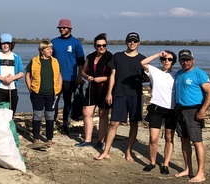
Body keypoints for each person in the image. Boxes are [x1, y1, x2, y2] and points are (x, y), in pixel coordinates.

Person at [94, 32, 146, 162]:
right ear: (126, 42)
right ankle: (106, 151)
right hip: (119, 94)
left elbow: (149, 75)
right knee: (113, 123)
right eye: (130, 41)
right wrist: (109, 92)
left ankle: (129, 151)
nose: (132, 43)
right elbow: (112, 76)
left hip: (135, 95)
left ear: (139, 43)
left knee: (134, 123)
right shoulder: (117, 57)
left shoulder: (143, 59)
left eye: (135, 41)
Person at [173, 49, 210, 183]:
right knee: (184, 139)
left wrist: (202, 110)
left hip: (194, 110)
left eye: (188, 60)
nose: (185, 62)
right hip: (180, 110)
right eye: (183, 60)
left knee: (197, 141)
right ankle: (187, 169)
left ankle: (201, 173)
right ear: (179, 61)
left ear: (193, 60)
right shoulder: (179, 74)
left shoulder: (199, 73)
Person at [140, 50, 178, 174]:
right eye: (164, 59)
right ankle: (152, 162)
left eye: (170, 59)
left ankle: (166, 164)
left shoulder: (177, 75)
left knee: (169, 138)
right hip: (156, 108)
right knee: (153, 138)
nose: (166, 61)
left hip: (171, 109)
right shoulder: (154, 71)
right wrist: (157, 54)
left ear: (173, 62)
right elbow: (143, 62)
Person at [76, 33, 113, 150]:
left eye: (103, 45)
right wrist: (87, 77)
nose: (101, 47)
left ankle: (100, 141)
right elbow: (83, 71)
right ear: (94, 46)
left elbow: (114, 75)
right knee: (87, 112)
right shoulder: (91, 57)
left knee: (103, 115)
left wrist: (103, 78)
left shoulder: (110, 57)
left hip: (105, 89)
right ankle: (87, 139)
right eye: (98, 45)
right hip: (92, 88)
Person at [25, 40, 62, 148]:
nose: (51, 50)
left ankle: (49, 138)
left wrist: (59, 88)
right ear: (42, 50)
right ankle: (36, 138)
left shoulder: (55, 61)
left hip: (52, 93)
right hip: (37, 93)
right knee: (37, 115)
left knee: (50, 116)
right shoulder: (34, 61)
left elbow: (59, 75)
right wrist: (29, 87)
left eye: (51, 48)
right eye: (48, 49)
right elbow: (27, 75)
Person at [51, 18, 85, 135]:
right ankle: (53, 124)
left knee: (67, 102)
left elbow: (81, 62)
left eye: (64, 28)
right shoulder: (54, 42)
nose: (62, 29)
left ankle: (66, 124)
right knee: (54, 102)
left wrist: (80, 77)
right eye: (60, 28)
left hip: (70, 78)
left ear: (69, 29)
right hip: (55, 78)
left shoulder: (76, 43)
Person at [0, 33, 24, 115]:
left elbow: (21, 73)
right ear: (0, 44)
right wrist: (3, 79)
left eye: (7, 43)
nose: (5, 46)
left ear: (11, 44)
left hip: (12, 89)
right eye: (3, 43)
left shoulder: (16, 57)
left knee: (10, 113)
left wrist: (12, 78)